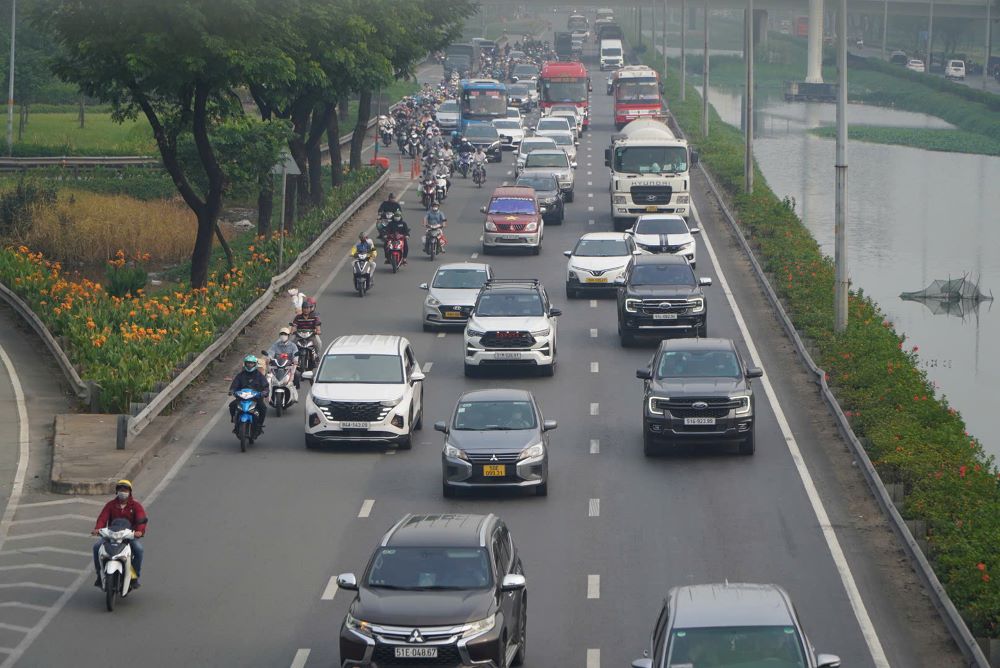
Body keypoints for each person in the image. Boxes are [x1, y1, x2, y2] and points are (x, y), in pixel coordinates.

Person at [92, 480, 147, 588]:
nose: (123, 492)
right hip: (111, 535)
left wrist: (139, 531)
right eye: (121, 490)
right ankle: (99, 575)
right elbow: (103, 518)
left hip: (128, 536)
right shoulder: (110, 505)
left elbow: (141, 519)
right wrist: (98, 529)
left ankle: (134, 577)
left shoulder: (136, 506)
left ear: (130, 492)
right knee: (96, 547)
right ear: (117, 491)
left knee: (139, 549)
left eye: (125, 490)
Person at [229, 354, 269, 431]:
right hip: (242, 398)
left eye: (252, 363)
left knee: (263, 408)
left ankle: (259, 425)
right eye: (248, 363)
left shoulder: (259, 375)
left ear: (255, 364)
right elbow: (234, 385)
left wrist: (264, 392)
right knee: (232, 405)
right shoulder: (240, 375)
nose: (250, 365)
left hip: (256, 398)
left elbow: (265, 386)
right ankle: (234, 419)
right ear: (245, 364)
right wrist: (232, 390)